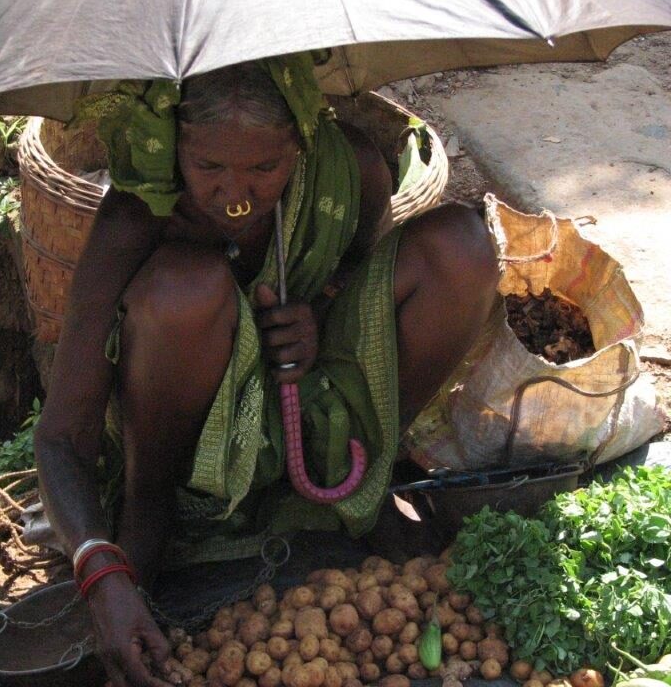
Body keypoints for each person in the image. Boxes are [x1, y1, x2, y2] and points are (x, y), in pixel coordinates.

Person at [34, 53, 498, 687]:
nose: (236, 195)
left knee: (461, 245)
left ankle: (370, 479)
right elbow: (60, 436)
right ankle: (151, 521)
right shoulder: (136, 214)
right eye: (209, 168)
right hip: (181, 436)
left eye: (265, 168)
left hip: (313, 405)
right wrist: (99, 568)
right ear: (177, 145)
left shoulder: (349, 169)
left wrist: (319, 311)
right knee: (184, 291)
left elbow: (358, 289)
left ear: (300, 144)